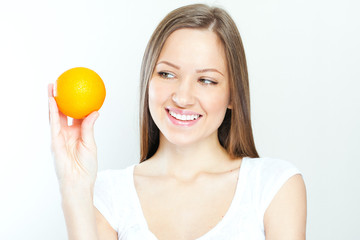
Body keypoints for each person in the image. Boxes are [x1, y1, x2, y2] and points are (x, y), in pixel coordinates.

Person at [48, 4, 306, 240]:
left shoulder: (274, 186)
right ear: (148, 81)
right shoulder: (108, 194)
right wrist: (75, 188)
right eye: (167, 74)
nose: (182, 97)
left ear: (233, 96)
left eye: (206, 80)